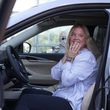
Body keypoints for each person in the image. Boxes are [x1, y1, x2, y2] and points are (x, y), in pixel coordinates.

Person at [15, 24, 97, 110]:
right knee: (26, 92)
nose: (76, 38)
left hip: (70, 103)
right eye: (73, 34)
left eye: (80, 35)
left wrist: (69, 59)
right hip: (61, 95)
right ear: (69, 37)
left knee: (27, 100)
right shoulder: (73, 53)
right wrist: (66, 57)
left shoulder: (86, 58)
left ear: (85, 39)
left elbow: (66, 81)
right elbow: (54, 74)